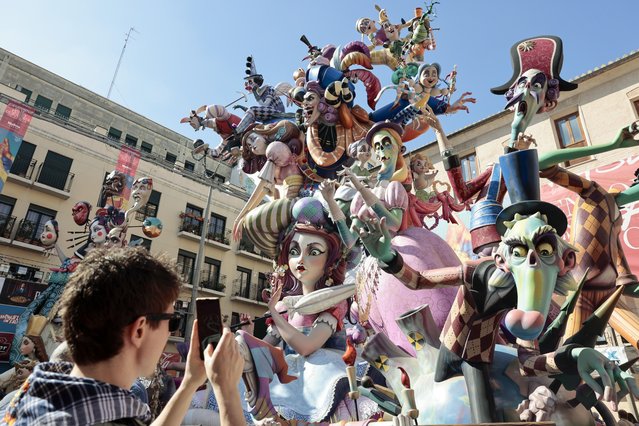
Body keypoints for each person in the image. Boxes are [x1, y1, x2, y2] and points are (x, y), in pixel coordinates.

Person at [1, 247, 207, 425]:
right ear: (139, 330)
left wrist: (190, 383)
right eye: (173, 321)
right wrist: (228, 392)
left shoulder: (32, 397)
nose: (170, 332)